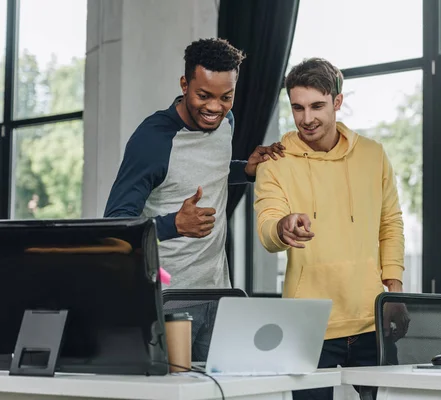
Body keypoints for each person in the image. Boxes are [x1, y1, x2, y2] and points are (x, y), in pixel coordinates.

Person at [104, 38, 284, 361]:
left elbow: (209, 171)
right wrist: (174, 224)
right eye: (204, 96)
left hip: (218, 293)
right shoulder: (152, 139)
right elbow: (117, 224)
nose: (215, 107)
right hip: (167, 299)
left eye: (225, 97)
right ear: (185, 84)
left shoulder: (225, 123)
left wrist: (247, 170)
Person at [254, 57, 409, 399]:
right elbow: (267, 225)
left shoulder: (373, 154)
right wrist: (282, 227)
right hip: (307, 325)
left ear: (337, 102)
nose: (306, 119)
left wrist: (393, 290)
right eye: (297, 108)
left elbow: (390, 222)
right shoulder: (275, 162)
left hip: (371, 319)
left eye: (317, 106)